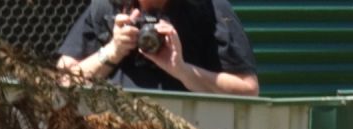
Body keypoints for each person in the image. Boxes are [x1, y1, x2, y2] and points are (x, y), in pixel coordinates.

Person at [57, 0, 259, 96]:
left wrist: (182, 70)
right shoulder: (106, 8)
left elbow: (248, 90)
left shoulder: (211, 11)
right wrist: (113, 51)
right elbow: (64, 80)